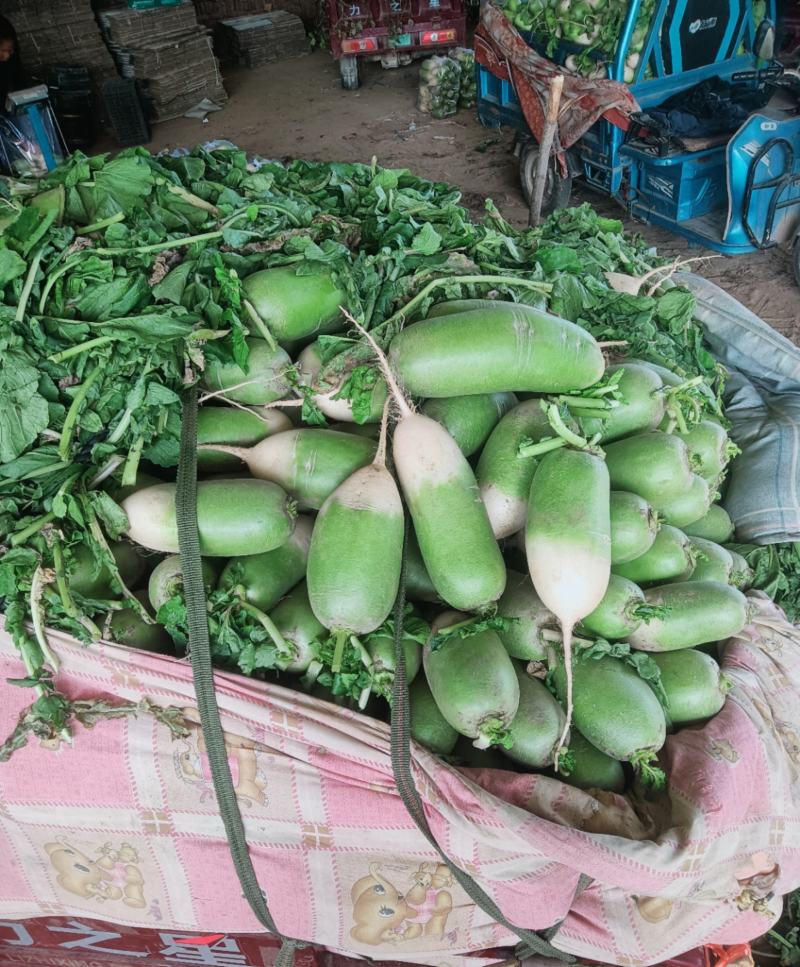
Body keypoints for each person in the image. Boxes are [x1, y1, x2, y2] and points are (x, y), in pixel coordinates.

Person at [0, 15, 24, 109]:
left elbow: (19, 80)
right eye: (3, 51)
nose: (7, 56)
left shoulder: (11, 62)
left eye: (10, 51)